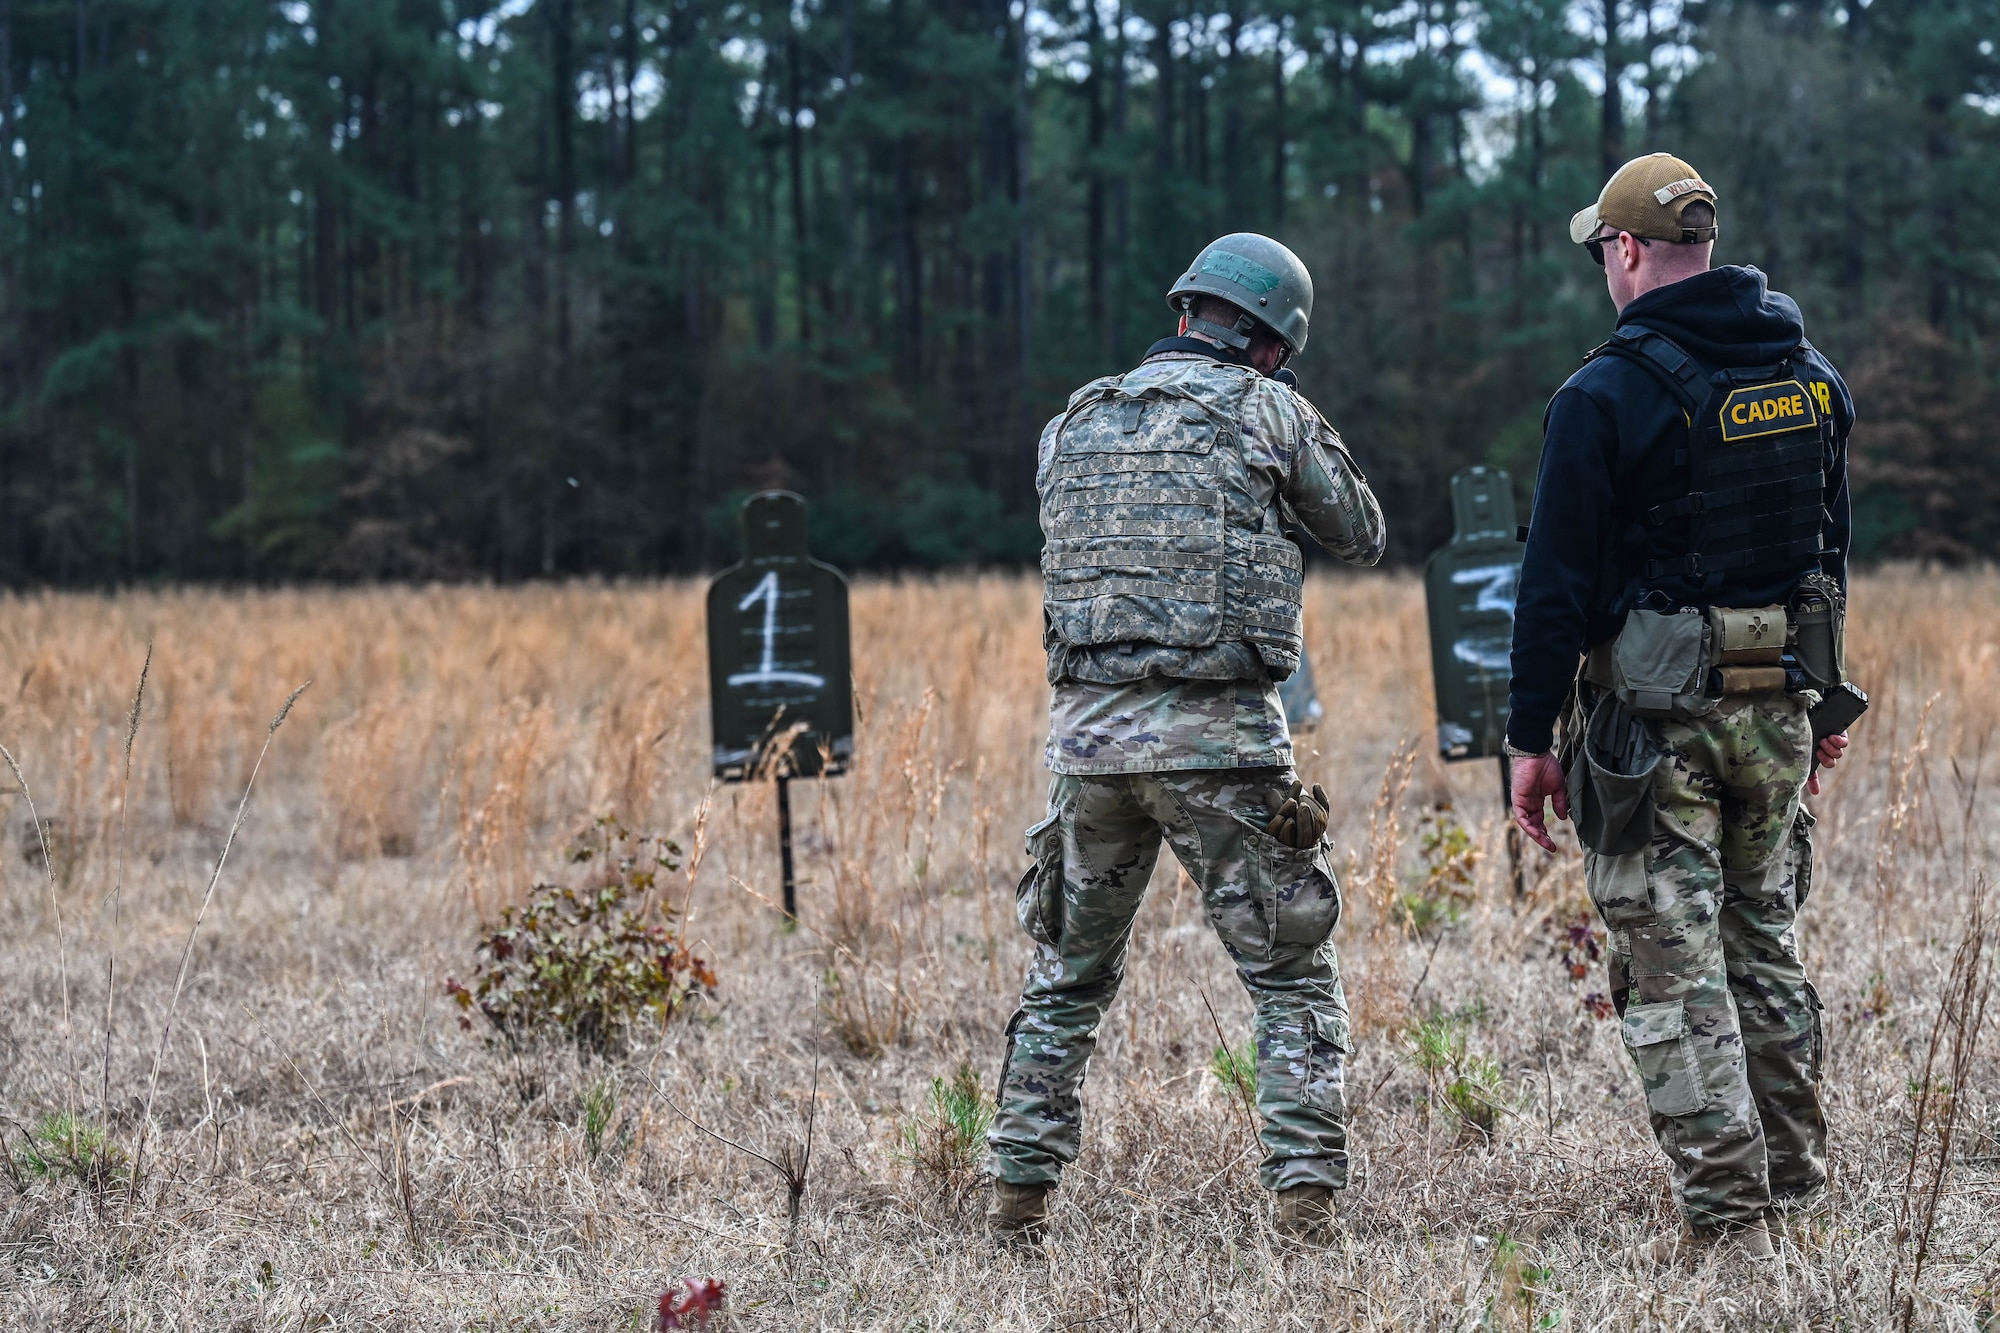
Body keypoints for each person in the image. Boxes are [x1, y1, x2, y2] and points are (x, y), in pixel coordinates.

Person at [983, 233, 1386, 1246]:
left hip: (1089, 749)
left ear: (1184, 314)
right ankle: (1301, 1206)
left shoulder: (1069, 423)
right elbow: (1359, 531)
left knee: (1065, 976)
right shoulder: (1268, 410)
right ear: (1268, 343)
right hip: (1225, 747)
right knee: (1289, 975)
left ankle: (1016, 1198)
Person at [1506, 154, 1854, 1264]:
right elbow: (1826, 552)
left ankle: (1727, 1215)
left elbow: (1551, 586)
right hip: (1779, 706)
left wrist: (1526, 740)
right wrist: (1824, 695)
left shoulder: (1599, 395)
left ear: (1622, 252)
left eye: (1600, 251)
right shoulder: (1811, 378)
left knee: (1668, 967)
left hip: (1650, 728)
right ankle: (1794, 1182)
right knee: (1763, 943)